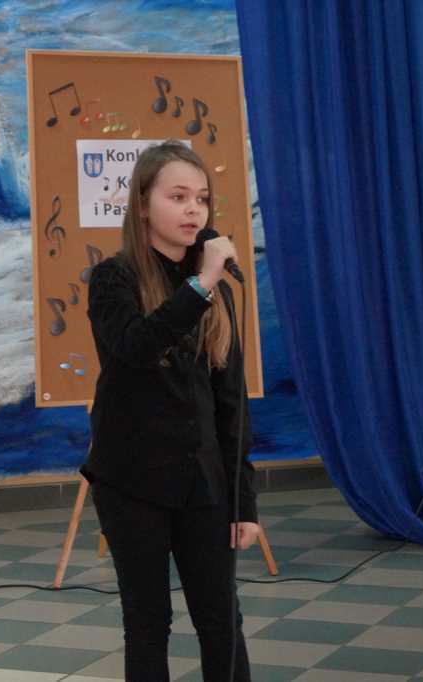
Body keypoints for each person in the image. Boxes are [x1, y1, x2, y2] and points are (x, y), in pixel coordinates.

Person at [81, 140, 260, 682]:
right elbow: (136, 346)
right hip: (132, 479)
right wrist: (201, 284)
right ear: (142, 204)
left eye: (202, 199)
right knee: (148, 621)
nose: (193, 210)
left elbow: (230, 403)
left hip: (202, 480)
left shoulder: (215, 293)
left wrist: (243, 501)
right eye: (178, 197)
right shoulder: (113, 279)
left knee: (221, 618)